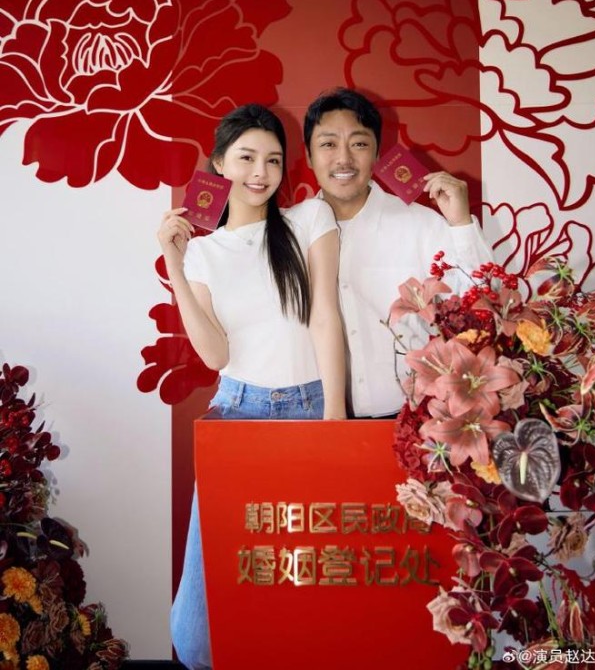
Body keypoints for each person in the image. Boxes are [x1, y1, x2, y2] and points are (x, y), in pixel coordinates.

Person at [158, 104, 347, 669]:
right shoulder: (203, 252)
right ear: (219, 163)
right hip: (238, 414)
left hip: (313, 408)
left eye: (272, 160)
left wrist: (334, 417)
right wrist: (174, 265)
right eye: (246, 158)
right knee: (197, 636)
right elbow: (215, 355)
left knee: (307, 587)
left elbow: (325, 317)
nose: (260, 172)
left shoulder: (309, 219)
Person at [303, 87, 494, 418]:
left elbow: (482, 303)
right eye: (328, 144)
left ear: (378, 153)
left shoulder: (421, 224)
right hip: (314, 419)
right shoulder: (290, 230)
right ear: (308, 155)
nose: (343, 158)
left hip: (410, 416)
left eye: (359, 144)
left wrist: (461, 223)